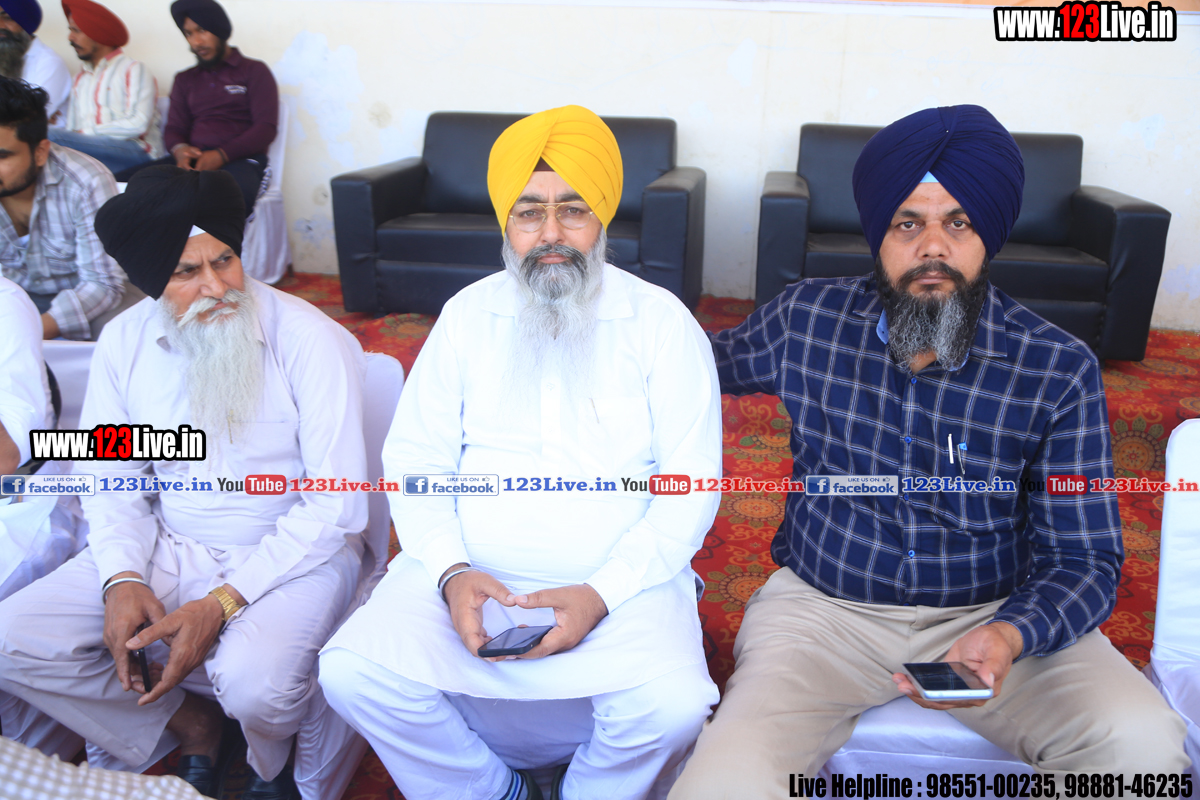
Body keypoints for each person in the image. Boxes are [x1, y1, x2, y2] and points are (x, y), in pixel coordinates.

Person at [668, 105, 1189, 797]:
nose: (933, 248)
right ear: (878, 235)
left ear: (988, 236)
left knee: (1142, 753)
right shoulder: (806, 320)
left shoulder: (1055, 367)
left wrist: (1011, 634)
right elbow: (684, 366)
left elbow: (1086, 558)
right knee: (721, 785)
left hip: (993, 615)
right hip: (823, 617)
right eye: (908, 223)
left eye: (959, 223)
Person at [318, 104, 722, 800]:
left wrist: (601, 594)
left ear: (603, 219)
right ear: (506, 224)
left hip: (624, 586)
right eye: (530, 213)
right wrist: (451, 572)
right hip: (469, 573)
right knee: (352, 673)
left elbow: (689, 490)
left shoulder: (660, 323)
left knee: (675, 704)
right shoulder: (467, 316)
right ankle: (486, 789)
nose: (552, 234)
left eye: (573, 210)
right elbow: (416, 462)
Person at [0, 166, 378, 800]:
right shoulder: (124, 342)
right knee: (15, 639)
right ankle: (189, 723)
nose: (217, 287)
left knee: (257, 686)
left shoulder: (309, 338)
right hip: (170, 541)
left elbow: (335, 505)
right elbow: (109, 477)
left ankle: (271, 757)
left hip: (296, 552)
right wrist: (122, 577)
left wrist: (222, 602)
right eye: (186, 272)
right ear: (151, 281)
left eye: (224, 260)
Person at [115, 0, 276, 217]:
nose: (196, 41)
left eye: (202, 30)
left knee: (228, 202)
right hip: (192, 162)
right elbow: (174, 128)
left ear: (219, 30)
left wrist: (222, 155)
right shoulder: (185, 79)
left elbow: (265, 129)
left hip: (241, 161)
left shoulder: (253, 70)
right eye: (189, 33)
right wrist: (180, 150)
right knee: (117, 184)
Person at [0, 76, 123, 339]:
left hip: (83, 300)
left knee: (122, 331)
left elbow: (103, 283)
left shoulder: (86, 180)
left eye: (2, 156)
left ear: (40, 152)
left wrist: (26, 335)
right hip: (11, 300)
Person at [48, 0, 162, 174]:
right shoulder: (80, 78)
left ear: (98, 34)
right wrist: (77, 137)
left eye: (76, 31)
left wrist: (84, 134)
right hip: (93, 150)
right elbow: (72, 129)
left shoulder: (133, 69)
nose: (70, 38)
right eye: (70, 30)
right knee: (44, 143)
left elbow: (138, 124)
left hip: (136, 152)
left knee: (50, 136)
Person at [0, 0, 70, 124]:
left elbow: (31, 118)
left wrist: (25, 117)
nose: (1, 25)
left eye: (8, 18)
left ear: (26, 23)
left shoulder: (48, 63)